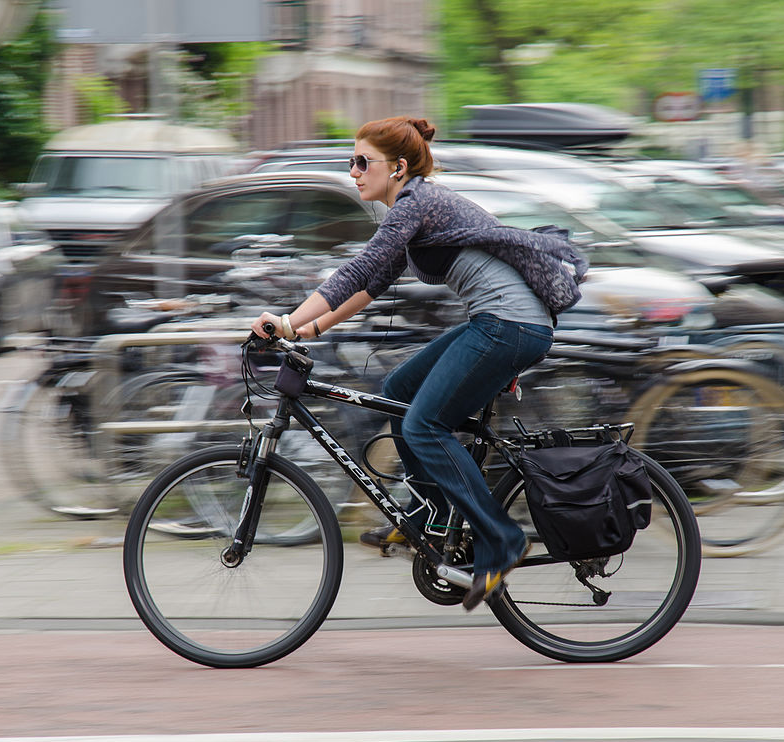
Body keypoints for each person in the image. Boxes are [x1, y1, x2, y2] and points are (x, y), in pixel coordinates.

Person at [250, 116, 588, 611]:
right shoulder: (410, 208)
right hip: (499, 322)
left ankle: (501, 538)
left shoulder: (416, 201)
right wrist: (307, 331)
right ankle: (431, 512)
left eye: (363, 162)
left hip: (510, 326)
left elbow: (359, 268)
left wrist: (285, 317)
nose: (353, 172)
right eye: (351, 162)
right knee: (398, 388)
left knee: (425, 425)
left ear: (399, 167)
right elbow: (372, 284)